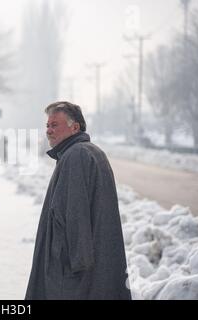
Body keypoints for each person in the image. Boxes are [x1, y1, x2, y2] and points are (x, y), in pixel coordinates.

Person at [25, 101, 131, 300]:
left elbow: (76, 215)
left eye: (55, 125)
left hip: (73, 277)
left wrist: (72, 268)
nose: (48, 130)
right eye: (47, 125)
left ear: (75, 127)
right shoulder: (88, 151)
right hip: (92, 268)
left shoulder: (76, 156)